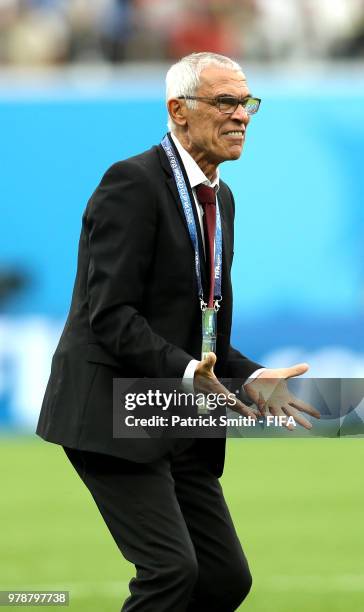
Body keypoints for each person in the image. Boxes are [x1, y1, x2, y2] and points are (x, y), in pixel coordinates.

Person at [36, 52, 320, 611]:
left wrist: (252, 375)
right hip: (113, 410)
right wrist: (190, 371)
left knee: (223, 580)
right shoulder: (132, 183)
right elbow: (109, 315)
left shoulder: (222, 198)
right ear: (179, 111)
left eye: (246, 103)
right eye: (225, 102)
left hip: (174, 409)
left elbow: (203, 336)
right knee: (170, 573)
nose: (242, 115)